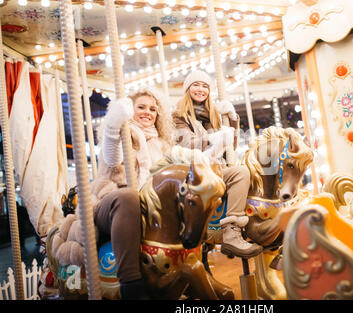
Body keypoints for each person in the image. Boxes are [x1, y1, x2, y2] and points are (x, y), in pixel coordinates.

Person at [91, 87, 173, 299]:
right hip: (113, 205)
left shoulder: (162, 145)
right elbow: (112, 157)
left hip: (150, 207)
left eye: (153, 109)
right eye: (141, 107)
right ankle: (131, 283)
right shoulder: (122, 134)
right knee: (130, 196)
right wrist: (114, 125)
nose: (148, 112)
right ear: (130, 110)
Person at [173, 70, 262, 258]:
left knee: (247, 173)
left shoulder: (214, 114)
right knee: (239, 173)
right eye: (196, 85)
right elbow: (187, 143)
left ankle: (244, 232)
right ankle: (230, 232)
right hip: (194, 170)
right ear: (188, 88)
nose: (200, 89)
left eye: (205, 86)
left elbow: (232, 145)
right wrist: (215, 138)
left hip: (216, 168)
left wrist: (232, 120)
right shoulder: (179, 115)